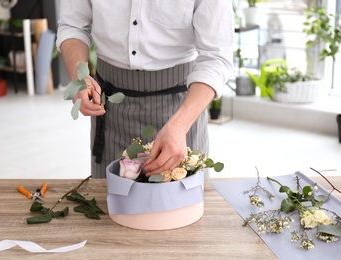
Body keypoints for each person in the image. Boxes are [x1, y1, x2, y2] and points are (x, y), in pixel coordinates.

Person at [56, 0, 234, 178]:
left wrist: (179, 126)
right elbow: (73, 25)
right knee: (107, 201)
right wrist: (79, 76)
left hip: (181, 111)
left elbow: (217, 57)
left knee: (181, 204)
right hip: (111, 110)